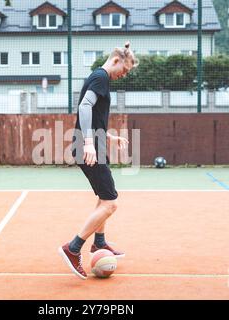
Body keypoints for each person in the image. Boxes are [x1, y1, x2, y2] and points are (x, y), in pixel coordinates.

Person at [58, 41, 139, 279]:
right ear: (116, 60)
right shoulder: (100, 78)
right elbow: (84, 106)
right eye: (123, 71)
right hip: (88, 148)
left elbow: (94, 116)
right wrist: (88, 143)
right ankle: (73, 248)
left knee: (104, 199)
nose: (122, 76)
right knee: (111, 203)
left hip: (96, 145)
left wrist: (108, 137)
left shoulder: (100, 79)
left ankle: (99, 243)